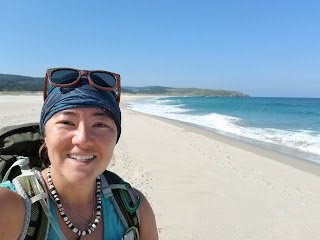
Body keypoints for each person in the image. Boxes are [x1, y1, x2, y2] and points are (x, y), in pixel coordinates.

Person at [0, 68, 158, 240]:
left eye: (100, 124)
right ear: (45, 133)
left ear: (115, 137)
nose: (83, 139)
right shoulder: (11, 206)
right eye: (67, 122)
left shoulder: (134, 207)